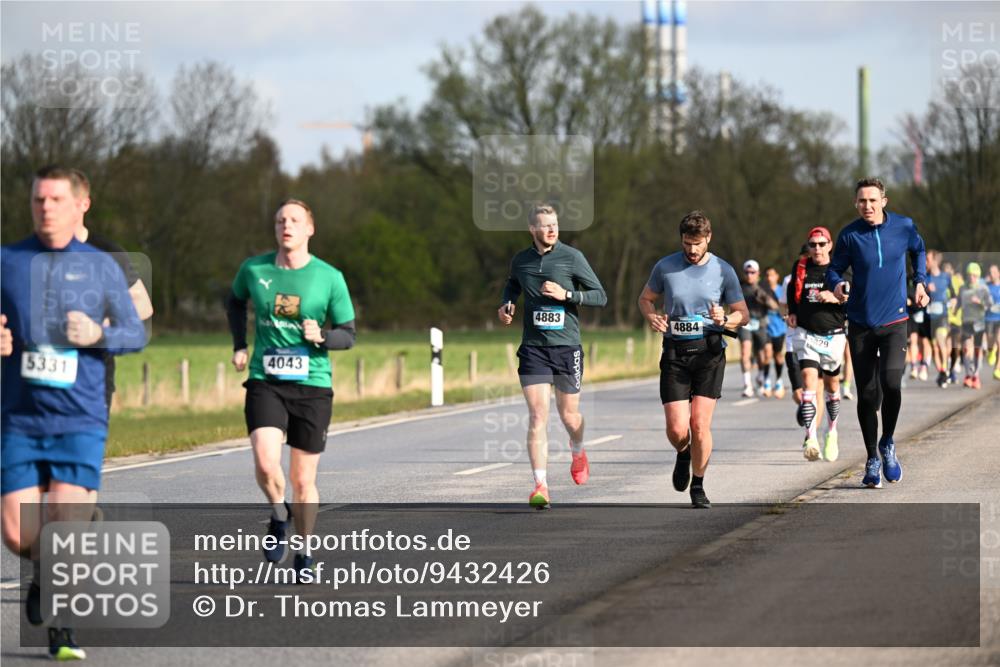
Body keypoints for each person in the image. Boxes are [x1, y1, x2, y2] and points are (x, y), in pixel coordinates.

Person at [1, 165, 147, 659]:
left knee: (63, 518)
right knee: (19, 533)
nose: (45, 207)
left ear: (79, 203)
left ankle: (63, 628)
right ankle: (46, 564)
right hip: (20, 415)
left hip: (82, 413)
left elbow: (138, 328)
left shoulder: (104, 262)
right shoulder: (8, 261)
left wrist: (100, 334)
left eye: (55, 199)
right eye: (38, 199)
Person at [226, 198, 356, 573]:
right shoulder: (254, 269)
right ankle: (277, 512)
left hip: (313, 384)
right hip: (266, 380)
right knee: (267, 465)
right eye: (281, 220)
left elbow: (348, 335)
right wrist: (239, 344)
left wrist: (323, 337)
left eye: (295, 220)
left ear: (309, 229)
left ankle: (304, 552)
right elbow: (234, 303)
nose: (287, 225)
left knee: (303, 480)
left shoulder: (330, 277)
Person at [498, 203, 607, 509]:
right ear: (532, 229)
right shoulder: (521, 261)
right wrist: (506, 305)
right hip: (533, 349)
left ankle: (578, 448)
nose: (552, 230)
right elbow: (511, 285)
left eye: (555, 224)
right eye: (545, 225)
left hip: (566, 347)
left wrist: (567, 295)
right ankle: (541, 486)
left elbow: (600, 295)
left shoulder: (572, 257)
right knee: (537, 416)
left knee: (569, 416)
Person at [637, 211, 748, 509]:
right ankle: (683, 452)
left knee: (699, 424)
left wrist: (726, 318)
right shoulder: (665, 266)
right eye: (687, 243)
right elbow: (645, 299)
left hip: (709, 352)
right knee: (677, 429)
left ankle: (698, 484)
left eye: (697, 243)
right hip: (675, 352)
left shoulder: (724, 270)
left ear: (708, 239)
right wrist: (652, 317)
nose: (692, 250)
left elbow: (743, 314)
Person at [828, 177, 928, 488]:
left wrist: (920, 281)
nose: (867, 206)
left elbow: (919, 250)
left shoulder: (903, 226)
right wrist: (838, 284)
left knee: (892, 384)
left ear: (884, 201)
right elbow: (834, 269)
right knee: (868, 394)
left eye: (872, 200)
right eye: (861, 201)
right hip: (860, 323)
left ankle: (887, 442)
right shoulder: (849, 235)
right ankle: (872, 457)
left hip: (895, 321)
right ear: (855, 203)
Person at [66, 172, 154, 412]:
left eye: (65, 200)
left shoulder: (107, 253)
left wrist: (103, 323)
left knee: (82, 448)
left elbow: (143, 304)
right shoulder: (29, 254)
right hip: (39, 375)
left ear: (85, 204)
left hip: (93, 374)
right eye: (47, 199)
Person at [787, 227, 847, 462]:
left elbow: (854, 296)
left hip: (834, 335)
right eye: (813, 244)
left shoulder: (840, 269)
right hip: (806, 333)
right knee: (809, 382)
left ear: (830, 245)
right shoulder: (801, 266)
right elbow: (793, 290)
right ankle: (810, 438)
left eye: (822, 244)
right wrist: (792, 312)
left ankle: (831, 432)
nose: (817, 249)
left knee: (832, 388)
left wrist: (834, 297)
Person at [737, 260, 779, 397]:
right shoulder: (739, 287)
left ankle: (761, 376)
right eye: (747, 272)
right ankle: (747, 385)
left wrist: (764, 298)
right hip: (745, 324)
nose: (749, 275)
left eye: (752, 272)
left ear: (758, 273)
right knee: (745, 351)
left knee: (763, 355)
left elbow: (775, 306)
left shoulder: (764, 286)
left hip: (761, 324)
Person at [955, 262, 993, 389]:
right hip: (966, 322)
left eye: (974, 275)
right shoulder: (962, 288)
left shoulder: (983, 289)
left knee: (977, 349)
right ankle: (968, 374)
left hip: (979, 323)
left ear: (978, 276)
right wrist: (955, 309)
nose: (972, 277)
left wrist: (980, 302)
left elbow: (990, 305)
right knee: (966, 348)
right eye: (970, 275)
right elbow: (959, 301)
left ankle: (976, 375)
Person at [925, 250, 952, 387]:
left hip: (943, 316)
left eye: (928, 260)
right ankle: (942, 371)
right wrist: (926, 291)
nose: (925, 262)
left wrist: (954, 301)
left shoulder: (945, 277)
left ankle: (946, 369)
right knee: (934, 347)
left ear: (935, 261)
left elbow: (954, 294)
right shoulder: (925, 278)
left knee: (941, 341)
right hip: (930, 317)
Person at [763, 266, 788, 399]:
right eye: (767, 275)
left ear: (777, 276)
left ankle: (778, 380)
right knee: (767, 354)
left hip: (780, 329)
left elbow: (785, 309)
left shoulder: (781, 290)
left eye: (772, 275)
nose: (769, 278)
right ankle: (766, 381)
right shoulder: (762, 291)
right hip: (766, 328)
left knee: (778, 355)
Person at [984, 263, 1000, 381]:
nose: (992, 274)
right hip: (989, 318)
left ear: (998, 273)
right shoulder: (986, 287)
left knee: (999, 341)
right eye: (990, 272)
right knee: (991, 342)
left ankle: (998, 368)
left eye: (994, 272)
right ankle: (991, 351)